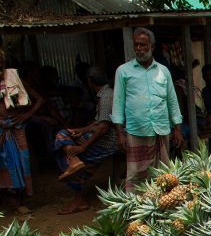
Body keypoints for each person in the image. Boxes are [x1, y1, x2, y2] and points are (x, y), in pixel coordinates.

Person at [111, 27, 183, 191]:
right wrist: (119, 133)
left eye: (143, 45)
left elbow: (172, 101)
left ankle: (161, 209)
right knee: (136, 175)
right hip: (137, 130)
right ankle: (135, 211)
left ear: (152, 46)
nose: (139, 49)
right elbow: (118, 103)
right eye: (136, 45)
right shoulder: (123, 71)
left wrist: (177, 129)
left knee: (163, 174)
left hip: (161, 129)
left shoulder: (163, 71)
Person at [53, 67, 117, 214]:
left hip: (107, 142)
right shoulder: (106, 93)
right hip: (106, 138)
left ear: (89, 81)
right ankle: (75, 162)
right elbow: (99, 123)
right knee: (68, 137)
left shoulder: (106, 97)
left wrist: (84, 147)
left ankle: (74, 161)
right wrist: (81, 130)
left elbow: (103, 127)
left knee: (62, 141)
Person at [0, 49, 44, 208]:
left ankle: (19, 199)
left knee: (21, 161)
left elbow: (39, 99)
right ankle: (7, 198)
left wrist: (26, 115)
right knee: (3, 163)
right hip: (2, 128)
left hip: (16, 126)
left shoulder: (13, 77)